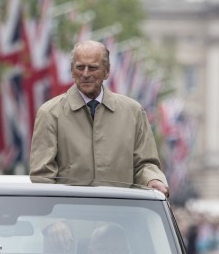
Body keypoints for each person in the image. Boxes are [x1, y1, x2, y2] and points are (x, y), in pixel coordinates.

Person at [29, 40, 169, 197]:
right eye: (80, 67)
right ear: (71, 71)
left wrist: (153, 180)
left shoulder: (133, 112)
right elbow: (42, 177)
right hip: (68, 218)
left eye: (93, 68)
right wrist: (56, 220)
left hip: (120, 216)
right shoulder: (50, 113)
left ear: (107, 72)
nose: (86, 74)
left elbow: (145, 164)